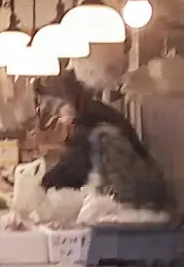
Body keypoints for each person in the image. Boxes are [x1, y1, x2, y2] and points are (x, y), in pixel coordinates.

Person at [34, 70, 173, 211]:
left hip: (139, 204)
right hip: (139, 198)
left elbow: (76, 164)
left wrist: (44, 186)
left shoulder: (98, 124)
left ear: (68, 98)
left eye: (54, 104)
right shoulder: (92, 114)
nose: (54, 112)